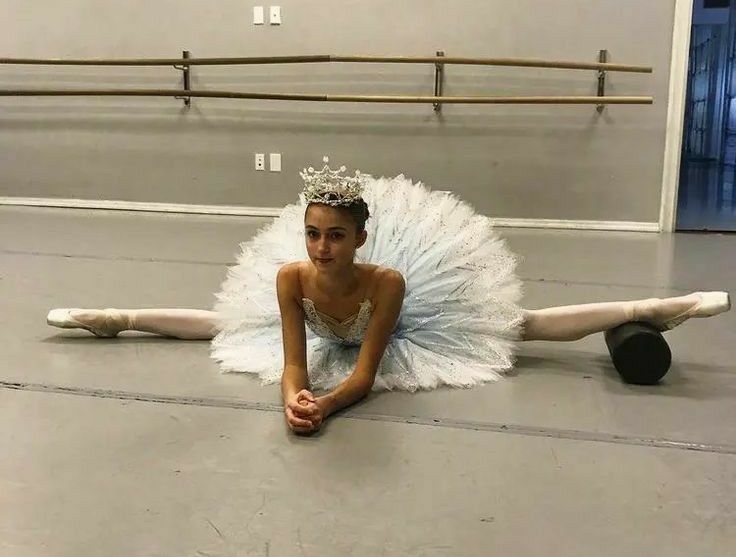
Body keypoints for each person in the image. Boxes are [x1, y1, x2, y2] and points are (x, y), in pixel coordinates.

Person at [47, 159, 731, 435]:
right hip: (327, 332)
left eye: (335, 236)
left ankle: (650, 308)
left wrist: (330, 404)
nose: (321, 248)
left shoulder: (389, 282)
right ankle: (118, 318)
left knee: (521, 327)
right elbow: (293, 360)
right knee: (227, 323)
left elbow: (366, 373)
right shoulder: (291, 277)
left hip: (389, 332)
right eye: (313, 235)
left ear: (361, 238)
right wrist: (293, 394)